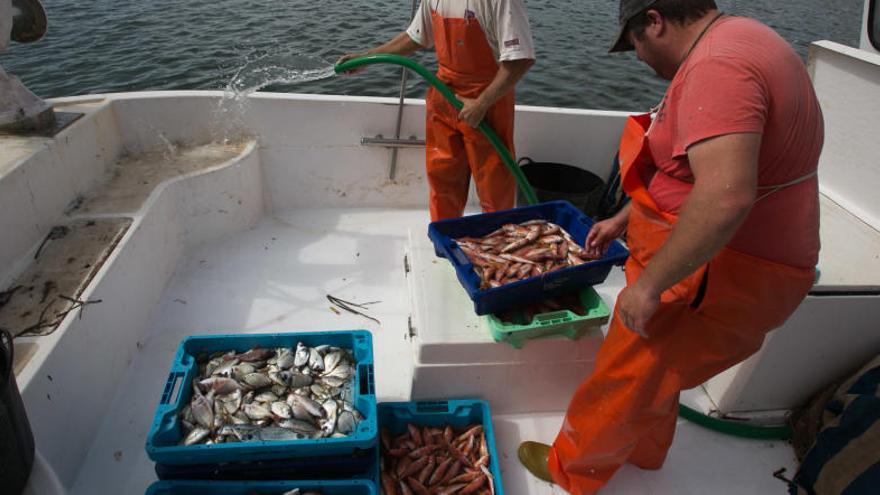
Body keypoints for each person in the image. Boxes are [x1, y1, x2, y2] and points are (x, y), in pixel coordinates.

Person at [517, 0, 824, 493]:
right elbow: (688, 173)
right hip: (716, 257)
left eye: (634, 42)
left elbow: (725, 197)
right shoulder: (743, 37)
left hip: (721, 268)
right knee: (657, 370)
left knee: (627, 370)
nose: (638, 57)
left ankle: (572, 469)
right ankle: (645, 453)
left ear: (654, 20)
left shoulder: (718, 67)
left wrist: (651, 285)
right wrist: (625, 216)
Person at [338, 0, 535, 221]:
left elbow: (520, 59)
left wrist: (481, 104)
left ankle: (499, 244)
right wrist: (366, 57)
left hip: (487, 100)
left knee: (494, 183)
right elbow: (415, 37)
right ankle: (445, 238)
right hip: (444, 95)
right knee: (443, 176)